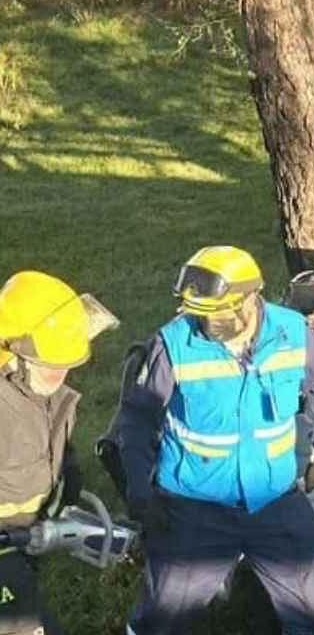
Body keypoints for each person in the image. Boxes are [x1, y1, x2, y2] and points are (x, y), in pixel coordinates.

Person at [119, 245, 314, 635]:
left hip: (274, 500)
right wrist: (140, 490)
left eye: (215, 316)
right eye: (199, 316)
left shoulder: (293, 333)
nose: (206, 325)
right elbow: (137, 420)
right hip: (193, 509)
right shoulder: (172, 345)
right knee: (162, 620)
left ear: (249, 299)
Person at [0, 271, 116, 635]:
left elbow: (56, 457)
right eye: (50, 366)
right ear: (12, 354)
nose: (61, 373)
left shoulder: (45, 398)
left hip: (22, 542)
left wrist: (65, 501)